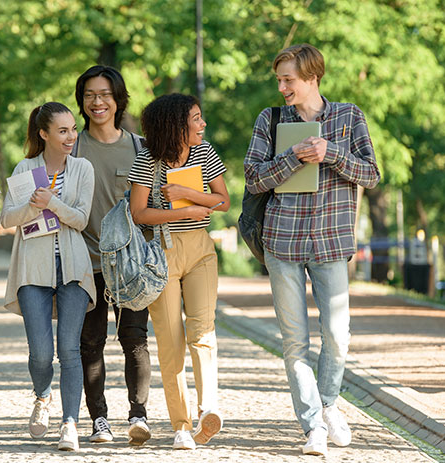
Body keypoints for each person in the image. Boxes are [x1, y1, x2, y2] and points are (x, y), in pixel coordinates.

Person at [243, 43, 380, 456]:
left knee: (337, 336)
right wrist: (292, 158)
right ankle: (312, 427)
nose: (282, 87)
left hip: (331, 242)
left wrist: (331, 153)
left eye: (289, 79)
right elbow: (252, 178)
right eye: (279, 79)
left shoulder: (348, 116)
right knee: (294, 342)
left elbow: (371, 175)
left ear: (312, 77)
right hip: (282, 241)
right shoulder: (270, 119)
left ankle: (328, 403)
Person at [129, 93, 230, 450]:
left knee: (203, 332)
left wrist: (189, 194)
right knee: (171, 342)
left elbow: (223, 200)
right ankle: (181, 425)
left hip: (200, 249)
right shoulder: (146, 161)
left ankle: (208, 409)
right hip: (162, 253)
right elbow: (139, 213)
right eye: (196, 119)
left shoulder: (205, 153)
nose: (203, 125)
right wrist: (181, 212)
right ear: (175, 126)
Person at [0, 102, 95, 452]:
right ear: (44, 134)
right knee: (41, 352)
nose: (71, 136)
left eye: (73, 129)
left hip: (73, 268)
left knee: (69, 349)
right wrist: (33, 206)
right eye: (63, 131)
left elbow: (82, 219)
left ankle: (70, 422)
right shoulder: (25, 168)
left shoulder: (83, 168)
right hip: (33, 268)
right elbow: (7, 219)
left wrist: (53, 203)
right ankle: (42, 396)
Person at [72, 65, 152, 445]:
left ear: (118, 99)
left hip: (130, 267)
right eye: (89, 95)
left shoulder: (140, 147)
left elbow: (153, 203)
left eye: (104, 94)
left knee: (134, 338)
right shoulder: (71, 148)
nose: (97, 102)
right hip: (85, 263)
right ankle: (98, 418)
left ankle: (138, 414)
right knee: (90, 343)